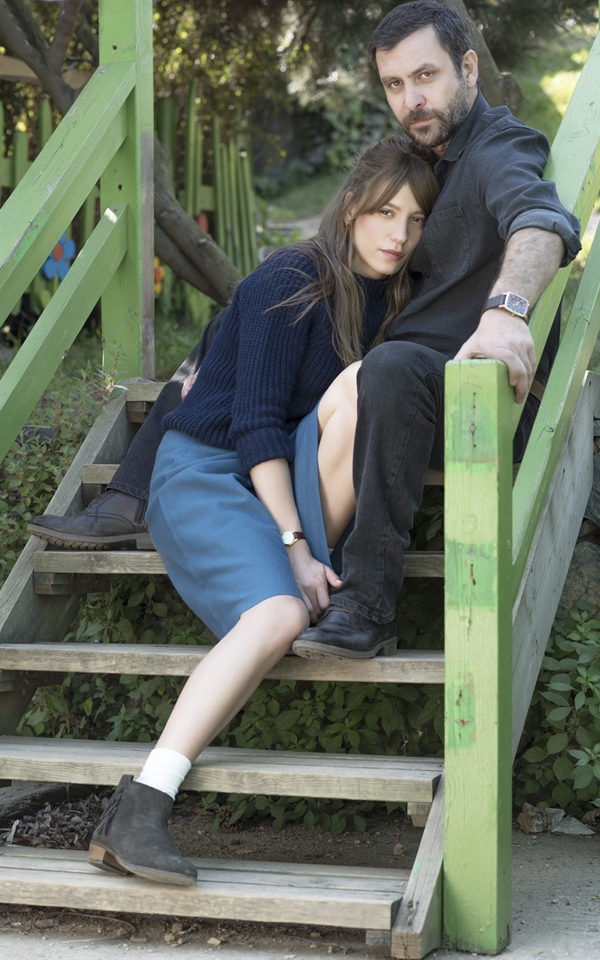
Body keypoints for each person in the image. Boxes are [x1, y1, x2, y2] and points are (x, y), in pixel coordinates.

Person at [86, 138, 440, 885]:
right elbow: (253, 425)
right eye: (385, 213)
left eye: (414, 220)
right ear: (351, 206)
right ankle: (141, 804)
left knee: (371, 378)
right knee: (279, 615)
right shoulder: (290, 278)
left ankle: (289, 576)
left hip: (283, 472)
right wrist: (296, 546)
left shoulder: (393, 296)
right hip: (208, 471)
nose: (399, 235)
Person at [290, 0, 581, 659]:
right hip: (394, 393)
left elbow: (541, 221)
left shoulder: (497, 147)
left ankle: (365, 605)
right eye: (394, 84)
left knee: (389, 366)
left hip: (482, 395)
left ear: (468, 68)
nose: (411, 99)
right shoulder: (419, 162)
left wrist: (506, 312)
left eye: (426, 76)